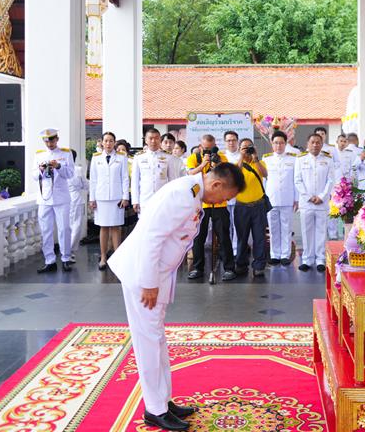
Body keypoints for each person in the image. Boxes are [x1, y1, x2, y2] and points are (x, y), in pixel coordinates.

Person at [108, 163, 245, 432]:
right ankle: (154, 410)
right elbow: (151, 237)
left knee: (156, 338)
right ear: (216, 185)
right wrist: (148, 283)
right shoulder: (183, 195)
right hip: (144, 275)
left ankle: (162, 401)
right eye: (226, 197)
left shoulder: (192, 191)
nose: (223, 203)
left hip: (158, 274)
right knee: (148, 341)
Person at [186, 134, 234, 281]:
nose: (209, 151)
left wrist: (216, 165)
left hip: (219, 203)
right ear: (201, 146)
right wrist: (203, 164)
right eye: (206, 148)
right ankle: (198, 268)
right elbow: (190, 173)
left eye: (211, 148)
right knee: (198, 237)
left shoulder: (222, 158)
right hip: (200, 203)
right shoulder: (194, 157)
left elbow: (226, 177)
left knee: (224, 236)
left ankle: (229, 268)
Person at [33, 128, 75, 273]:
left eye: (51, 140)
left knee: (64, 229)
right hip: (44, 198)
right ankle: (49, 260)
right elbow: (33, 175)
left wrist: (58, 166)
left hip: (61, 197)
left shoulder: (65, 153)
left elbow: (70, 174)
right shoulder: (39, 155)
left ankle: (65, 258)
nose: (49, 143)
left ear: (57, 139)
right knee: (46, 230)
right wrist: (41, 170)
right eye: (46, 140)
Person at [90, 131, 130, 270]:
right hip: (101, 198)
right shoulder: (96, 158)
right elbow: (93, 180)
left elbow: (125, 178)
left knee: (116, 228)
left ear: (114, 142)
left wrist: (125, 197)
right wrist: (92, 198)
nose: (108, 143)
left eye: (111, 141)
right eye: (106, 141)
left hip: (116, 197)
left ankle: (117, 257)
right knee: (103, 227)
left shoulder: (121, 157)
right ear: (101, 142)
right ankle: (103, 256)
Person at [294, 133, 334, 272]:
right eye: (312, 142)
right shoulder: (300, 160)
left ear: (322, 144)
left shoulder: (328, 160)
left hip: (322, 203)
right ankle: (307, 259)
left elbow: (330, 180)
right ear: (307, 144)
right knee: (306, 231)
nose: (315, 145)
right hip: (307, 202)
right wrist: (309, 197)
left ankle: (320, 259)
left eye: (318, 142)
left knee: (321, 231)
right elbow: (297, 180)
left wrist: (322, 197)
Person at [233, 137, 269, 279]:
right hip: (241, 207)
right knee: (242, 237)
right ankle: (241, 264)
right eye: (244, 147)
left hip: (258, 206)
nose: (247, 150)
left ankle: (259, 266)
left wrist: (255, 158)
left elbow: (265, 174)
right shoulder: (237, 164)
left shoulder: (259, 163)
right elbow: (235, 175)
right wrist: (242, 156)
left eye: (250, 147)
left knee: (259, 237)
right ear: (239, 149)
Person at [262, 131, 297, 266]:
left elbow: (295, 180)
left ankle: (285, 254)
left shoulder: (293, 159)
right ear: (272, 144)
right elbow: (264, 181)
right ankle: (274, 254)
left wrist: (296, 198)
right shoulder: (266, 159)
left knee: (286, 228)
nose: (278, 146)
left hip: (288, 198)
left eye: (281, 143)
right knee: (273, 228)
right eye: (276, 143)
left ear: (285, 143)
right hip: (271, 198)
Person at [131, 128, 180, 215]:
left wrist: (173, 198)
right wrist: (135, 200)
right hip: (145, 199)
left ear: (160, 140)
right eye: (150, 138)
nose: (153, 141)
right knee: (145, 226)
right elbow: (135, 181)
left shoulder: (168, 157)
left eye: (156, 138)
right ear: (146, 140)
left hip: (162, 198)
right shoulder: (139, 157)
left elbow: (173, 180)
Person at [315, 127, 341, 239]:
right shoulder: (312, 148)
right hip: (317, 183)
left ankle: (333, 234)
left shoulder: (331, 149)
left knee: (331, 210)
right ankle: (320, 235)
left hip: (330, 183)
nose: (321, 135)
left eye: (322, 134)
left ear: (325, 135)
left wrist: (328, 168)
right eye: (318, 134)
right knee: (319, 211)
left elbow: (337, 163)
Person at [67, 149, 89, 263]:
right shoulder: (78, 170)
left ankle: (66, 251)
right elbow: (85, 185)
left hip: (65, 201)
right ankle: (69, 251)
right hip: (76, 200)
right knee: (75, 226)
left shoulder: (60, 170)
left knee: (66, 227)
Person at [223, 131, 241, 256]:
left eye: (234, 140)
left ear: (237, 141)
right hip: (223, 197)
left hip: (239, 196)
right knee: (226, 226)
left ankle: (236, 249)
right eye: (229, 140)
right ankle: (227, 249)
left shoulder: (243, 156)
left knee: (237, 225)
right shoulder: (221, 157)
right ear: (225, 142)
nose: (231, 142)